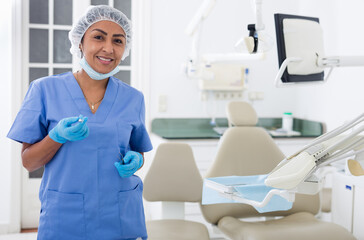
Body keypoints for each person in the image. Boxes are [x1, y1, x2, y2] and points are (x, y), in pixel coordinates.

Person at [7, 5, 152, 240]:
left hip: (119, 214)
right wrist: (56, 137)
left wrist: (136, 161)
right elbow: (28, 162)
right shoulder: (44, 90)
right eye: (98, 37)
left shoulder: (133, 98)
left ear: (125, 49)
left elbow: (137, 151)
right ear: (80, 42)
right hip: (66, 216)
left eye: (118, 41)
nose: (108, 48)